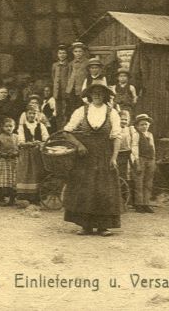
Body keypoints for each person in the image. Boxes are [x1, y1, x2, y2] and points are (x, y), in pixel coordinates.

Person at [60, 82, 122, 236]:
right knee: (85, 189)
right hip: (85, 156)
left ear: (105, 95)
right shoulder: (82, 110)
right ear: (90, 95)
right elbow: (67, 132)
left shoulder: (112, 112)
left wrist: (114, 157)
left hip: (105, 154)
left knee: (103, 189)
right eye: (94, 92)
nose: (97, 95)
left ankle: (103, 226)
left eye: (100, 93)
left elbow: (117, 137)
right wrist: (79, 145)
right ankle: (85, 225)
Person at [16, 105, 49, 203]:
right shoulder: (22, 127)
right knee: (26, 173)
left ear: (37, 115)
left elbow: (46, 138)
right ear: (26, 114)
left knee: (37, 173)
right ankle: (25, 197)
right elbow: (20, 141)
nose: (32, 115)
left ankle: (36, 197)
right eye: (30, 113)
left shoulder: (41, 126)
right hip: (26, 153)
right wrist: (29, 143)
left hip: (38, 153)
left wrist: (41, 143)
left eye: (34, 113)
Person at [131, 113, 156, 213]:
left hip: (150, 159)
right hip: (140, 159)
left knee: (148, 182)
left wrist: (154, 159)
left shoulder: (150, 135)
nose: (144, 126)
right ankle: (139, 204)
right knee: (139, 182)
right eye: (141, 124)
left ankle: (146, 203)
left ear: (149, 125)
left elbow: (153, 147)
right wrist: (136, 161)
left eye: (146, 124)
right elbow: (134, 147)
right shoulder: (136, 135)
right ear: (137, 126)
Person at [0, 117, 19, 207]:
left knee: (13, 180)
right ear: (3, 127)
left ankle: (12, 198)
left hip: (14, 161)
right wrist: (1, 154)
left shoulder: (16, 137)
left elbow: (20, 148)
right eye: (6, 126)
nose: (9, 128)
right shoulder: (0, 137)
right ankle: (1, 198)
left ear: (14, 127)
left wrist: (16, 153)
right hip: (3, 161)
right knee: (3, 180)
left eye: (11, 126)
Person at [65, 41, 89, 113]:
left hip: (82, 89)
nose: (78, 53)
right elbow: (69, 75)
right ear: (73, 52)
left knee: (81, 108)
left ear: (83, 52)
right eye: (75, 51)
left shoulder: (87, 62)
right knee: (72, 108)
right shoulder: (71, 63)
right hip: (71, 89)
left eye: (80, 51)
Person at [115, 109, 134, 199]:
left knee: (126, 174)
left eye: (126, 120)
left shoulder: (130, 130)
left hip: (127, 154)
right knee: (116, 174)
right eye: (121, 119)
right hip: (117, 153)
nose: (123, 121)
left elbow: (133, 142)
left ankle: (125, 197)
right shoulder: (115, 129)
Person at [51, 44, 71, 124]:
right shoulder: (55, 65)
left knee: (65, 111)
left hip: (65, 92)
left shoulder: (69, 65)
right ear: (57, 54)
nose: (62, 55)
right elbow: (53, 77)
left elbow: (69, 78)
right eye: (60, 53)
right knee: (58, 111)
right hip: (57, 92)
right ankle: (58, 128)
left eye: (64, 53)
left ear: (66, 54)